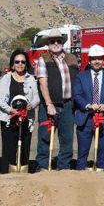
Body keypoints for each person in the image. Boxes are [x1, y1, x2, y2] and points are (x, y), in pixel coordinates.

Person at [35, 29, 79, 171]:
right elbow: (43, 83)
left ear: (62, 43)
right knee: (45, 138)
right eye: (52, 41)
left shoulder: (72, 59)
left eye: (58, 41)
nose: (55, 43)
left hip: (67, 105)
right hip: (49, 106)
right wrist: (49, 104)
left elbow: (76, 81)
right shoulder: (43, 59)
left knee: (67, 139)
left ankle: (63, 168)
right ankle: (42, 166)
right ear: (48, 44)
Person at [73, 44, 104, 171]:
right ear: (89, 60)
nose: (97, 61)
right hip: (85, 118)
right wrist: (88, 105)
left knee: (102, 153)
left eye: (99, 58)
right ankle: (80, 175)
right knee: (82, 152)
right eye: (94, 58)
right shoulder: (81, 76)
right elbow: (77, 94)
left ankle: (101, 175)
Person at [0, 50, 40, 173]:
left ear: (26, 64)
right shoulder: (6, 78)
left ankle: (23, 173)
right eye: (17, 62)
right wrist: (10, 110)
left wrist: (32, 104)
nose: (20, 64)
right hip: (9, 119)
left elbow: (36, 97)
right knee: (9, 148)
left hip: (26, 119)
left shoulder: (31, 79)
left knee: (25, 147)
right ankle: (6, 173)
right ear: (12, 64)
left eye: (23, 62)